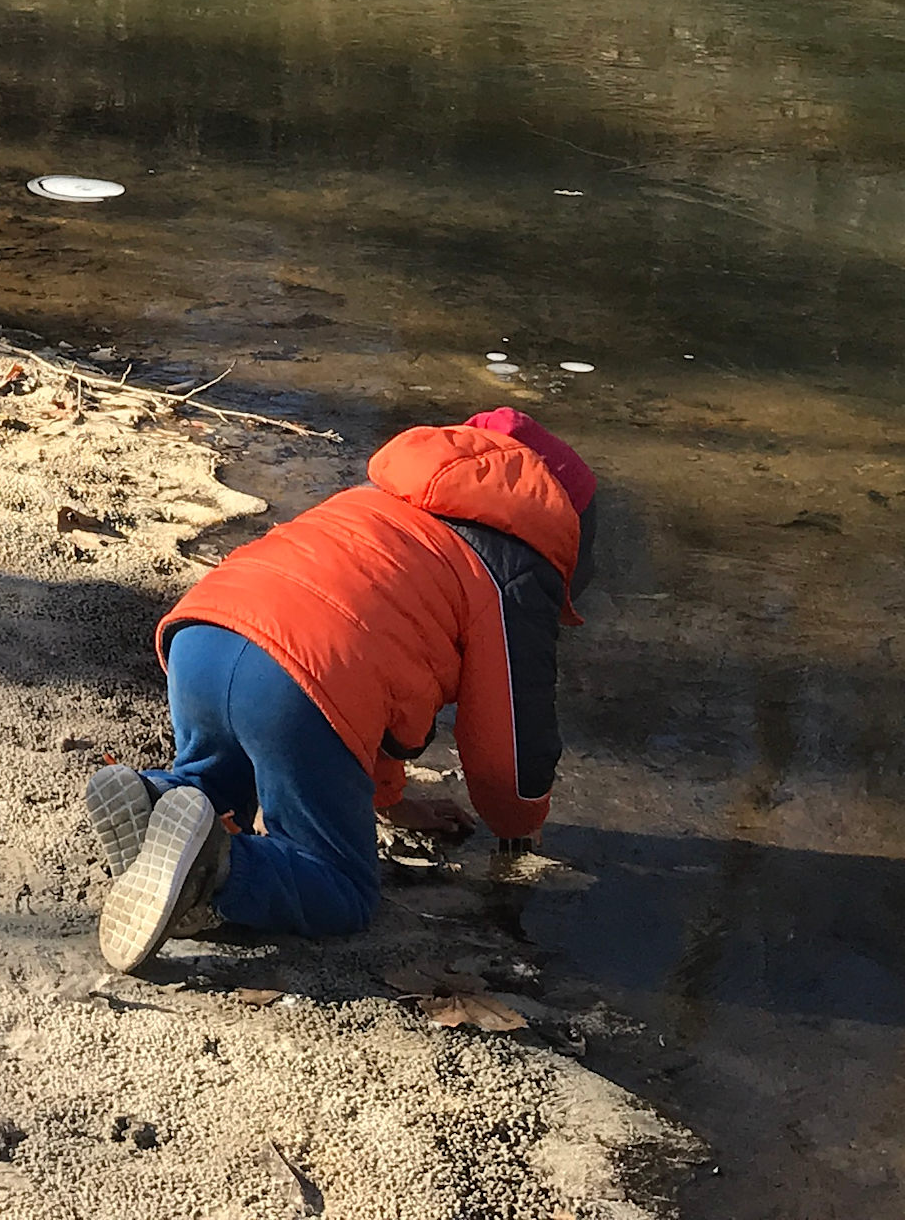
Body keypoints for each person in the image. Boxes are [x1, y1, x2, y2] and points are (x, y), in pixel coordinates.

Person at [83, 406, 598, 971]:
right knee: (342, 888)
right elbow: (509, 742)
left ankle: (154, 797)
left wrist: (393, 803)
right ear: (564, 524)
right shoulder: (514, 574)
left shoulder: (376, 503)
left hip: (204, 633)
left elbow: (374, 666)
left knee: (212, 784)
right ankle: (219, 865)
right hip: (299, 683)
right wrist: (518, 827)